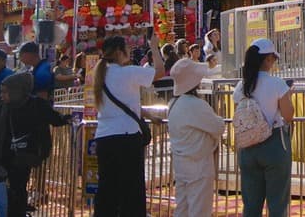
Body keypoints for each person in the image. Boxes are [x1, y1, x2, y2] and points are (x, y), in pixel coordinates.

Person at [93, 33, 165, 217]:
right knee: (131, 190)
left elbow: (123, 104)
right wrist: (155, 48)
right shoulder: (128, 72)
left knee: (107, 189)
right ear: (119, 51)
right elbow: (160, 72)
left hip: (104, 137)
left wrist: (147, 114)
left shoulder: (99, 74)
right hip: (127, 137)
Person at [0, 71, 66, 217]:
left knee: (18, 188)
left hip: (24, 156)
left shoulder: (36, 105)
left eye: (6, 92)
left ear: (17, 91)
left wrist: (67, 118)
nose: (2, 95)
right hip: (4, 156)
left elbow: (55, 119)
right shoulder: (3, 108)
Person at [234, 39, 293, 217]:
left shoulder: (241, 86)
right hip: (274, 144)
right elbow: (288, 115)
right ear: (267, 59)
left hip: (247, 147)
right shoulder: (277, 84)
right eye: (274, 58)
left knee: (251, 204)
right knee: (277, 202)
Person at [168, 58, 225, 217]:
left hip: (181, 162)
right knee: (200, 210)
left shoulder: (173, 103)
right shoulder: (195, 104)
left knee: (182, 208)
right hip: (198, 164)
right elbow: (219, 126)